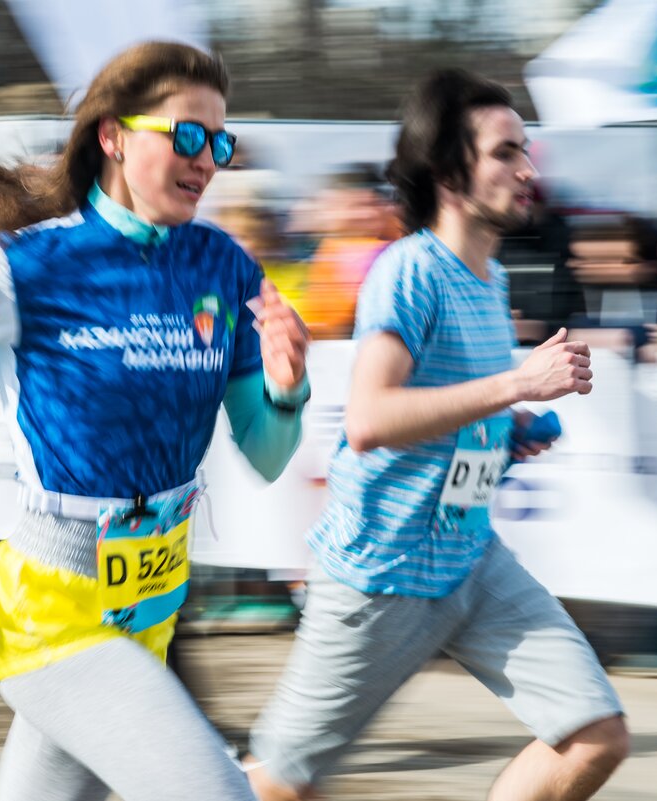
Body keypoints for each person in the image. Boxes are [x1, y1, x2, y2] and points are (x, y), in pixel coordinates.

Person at [0, 42, 310, 801]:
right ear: (114, 136)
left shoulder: (226, 267)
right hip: (53, 613)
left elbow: (269, 453)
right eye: (187, 134)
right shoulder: (28, 263)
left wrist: (286, 388)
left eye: (221, 143)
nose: (208, 159)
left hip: (152, 607)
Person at [244, 69, 629, 801]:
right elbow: (370, 419)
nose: (527, 168)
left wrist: (503, 429)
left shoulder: (489, 277)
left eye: (525, 149)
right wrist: (516, 384)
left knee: (594, 734)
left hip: (470, 555)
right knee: (279, 785)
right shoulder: (407, 271)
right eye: (505, 152)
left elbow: (445, 407)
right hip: (380, 569)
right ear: (451, 173)